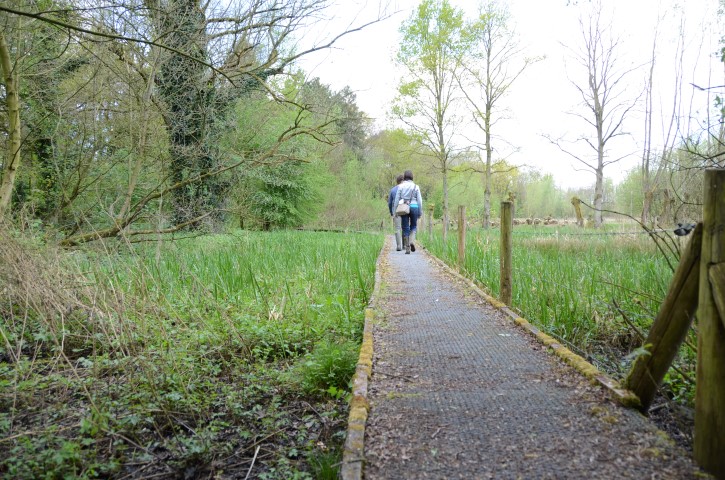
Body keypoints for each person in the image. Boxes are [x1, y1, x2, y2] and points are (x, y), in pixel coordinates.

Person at [393, 170, 422, 254]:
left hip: (404, 208)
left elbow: (396, 200)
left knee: (405, 227)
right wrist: (420, 212)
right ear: (412, 177)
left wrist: (395, 212)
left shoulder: (401, 186)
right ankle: (412, 241)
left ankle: (407, 248)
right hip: (414, 207)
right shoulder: (416, 187)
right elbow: (420, 201)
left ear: (404, 177)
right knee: (413, 226)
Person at [388, 174, 405, 251]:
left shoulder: (393, 190)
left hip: (396, 210)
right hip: (405, 210)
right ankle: (405, 245)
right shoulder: (406, 188)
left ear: (397, 181)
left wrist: (391, 212)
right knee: (405, 227)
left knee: (397, 228)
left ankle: (399, 246)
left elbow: (390, 203)